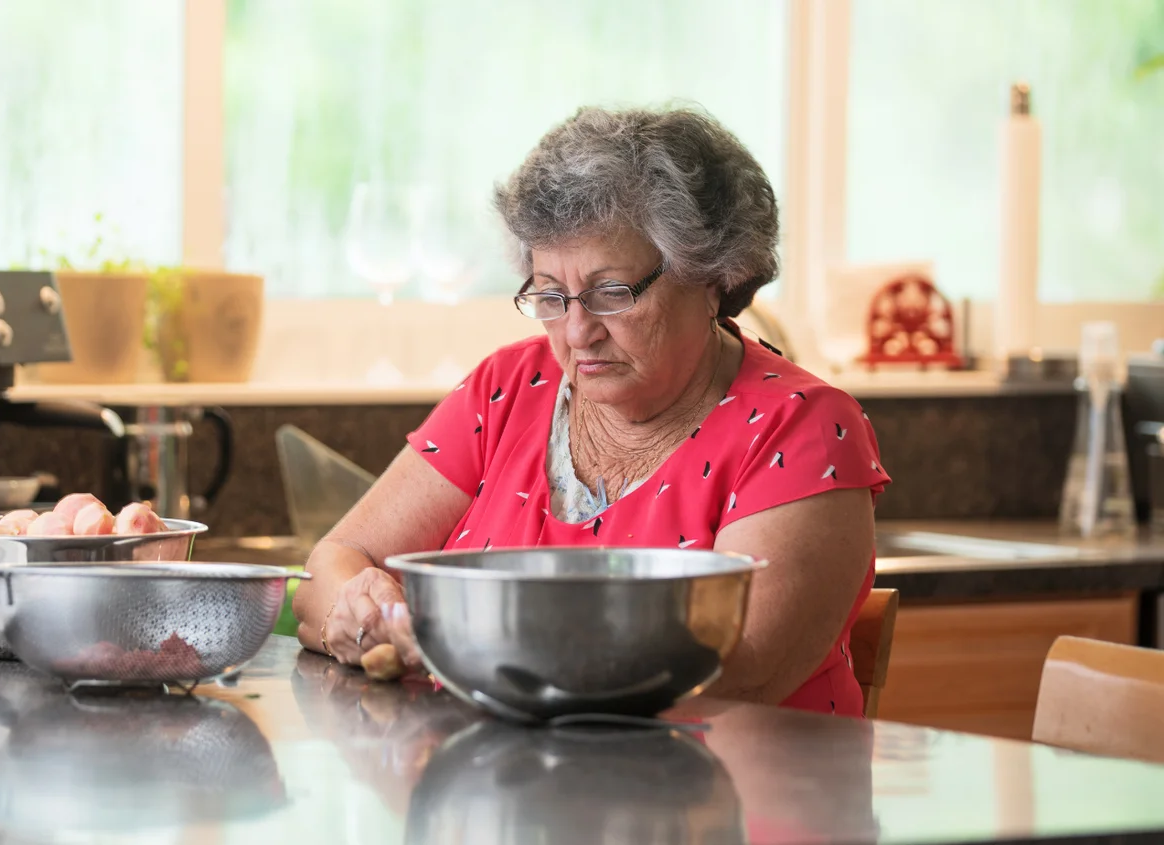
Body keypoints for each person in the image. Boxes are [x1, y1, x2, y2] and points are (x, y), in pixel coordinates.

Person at [293, 104, 891, 717]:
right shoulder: (511, 386)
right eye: (551, 294)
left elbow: (740, 670)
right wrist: (362, 613)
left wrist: (451, 641)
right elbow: (330, 568)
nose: (577, 332)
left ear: (712, 274)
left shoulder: (805, 428)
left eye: (611, 293)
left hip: (721, 802)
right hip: (503, 793)